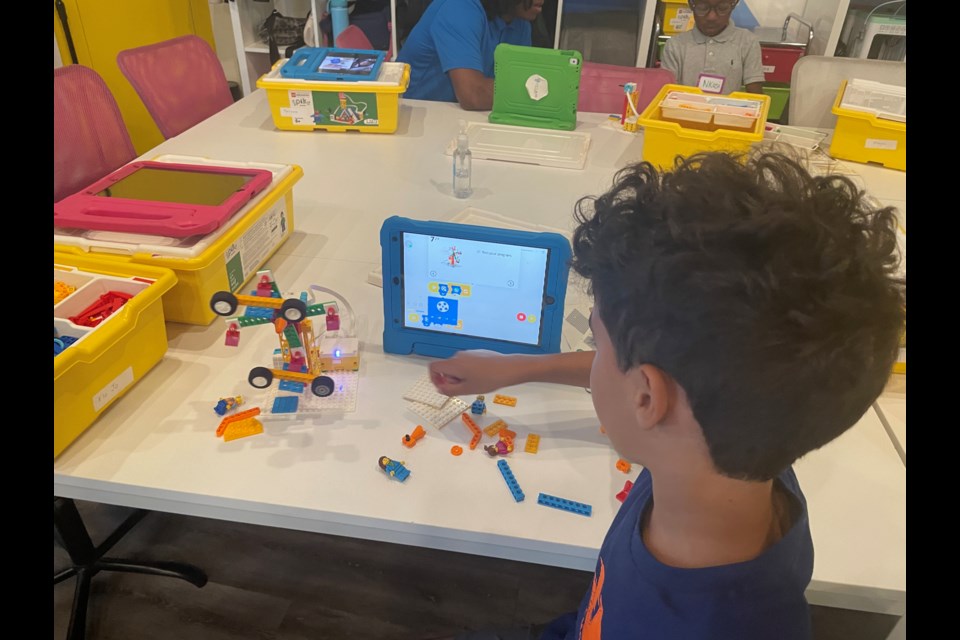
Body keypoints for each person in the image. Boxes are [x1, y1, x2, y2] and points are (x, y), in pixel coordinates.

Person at [428, 150, 906, 639]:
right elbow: (663, 371)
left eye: (597, 340)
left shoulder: (699, 624)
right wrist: (513, 369)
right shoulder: (747, 441)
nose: (595, 358)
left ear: (647, 401)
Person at [396, 0, 544, 110]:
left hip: (460, 123)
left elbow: (516, 84)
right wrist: (541, 91)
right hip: (411, 125)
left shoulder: (520, 24)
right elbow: (473, 95)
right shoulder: (458, 7)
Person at [660, 0, 765, 95]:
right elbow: (667, 94)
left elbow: (755, 94)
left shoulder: (747, 41)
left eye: (722, 8)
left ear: (733, 4)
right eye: (702, 7)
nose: (712, 17)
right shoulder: (675, 45)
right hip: (683, 113)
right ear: (691, 4)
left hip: (727, 113)